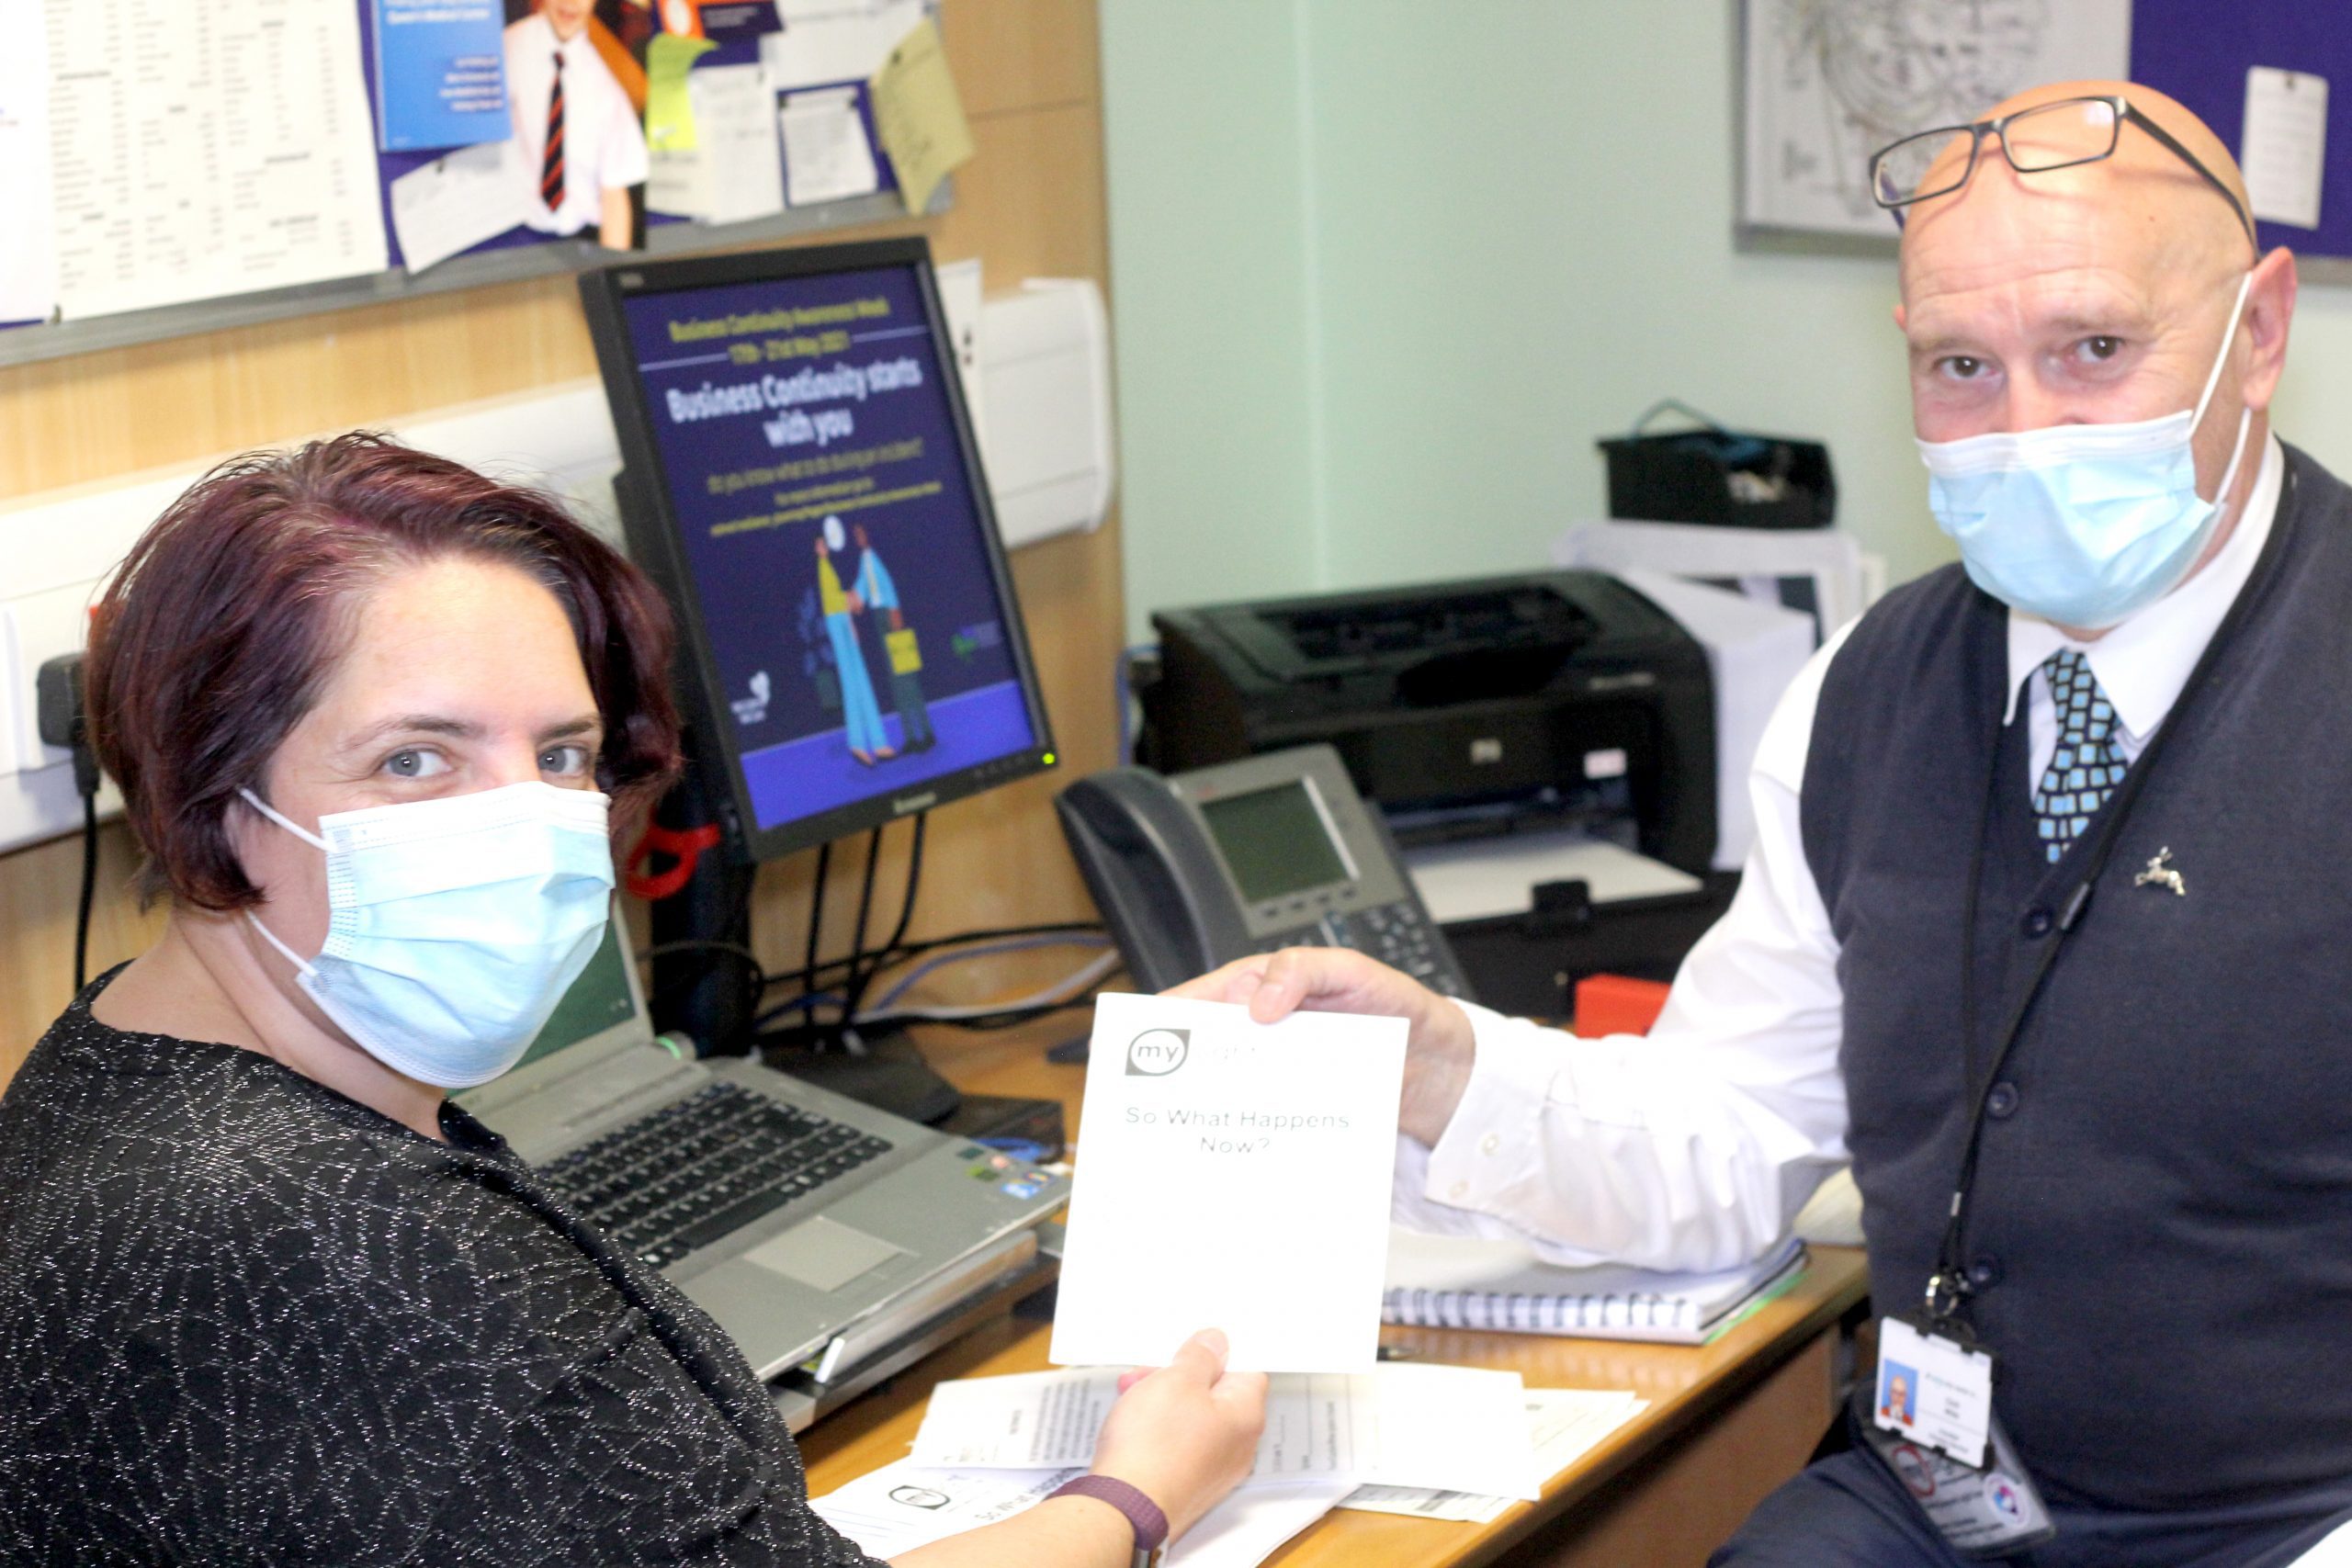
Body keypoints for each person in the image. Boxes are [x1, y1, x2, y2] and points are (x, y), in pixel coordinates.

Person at [1178, 81, 2352, 1566]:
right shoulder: (1867, 694)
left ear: (2257, 335)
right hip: (1940, 1496)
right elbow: (1733, 1131)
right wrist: (1446, 1069)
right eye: (1961, 366)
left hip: (2288, 1522)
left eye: (2097, 350)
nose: (2027, 429)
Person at [0, 434, 1264, 1564]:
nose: (528, 819)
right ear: (209, 793)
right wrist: (1139, 1492)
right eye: (414, 758)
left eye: (560, 753)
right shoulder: (322, 1241)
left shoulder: (114, 1059)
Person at [505, 0, 647, 250]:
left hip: (583, 239)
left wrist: (613, 263)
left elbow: (614, 190)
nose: (570, 4)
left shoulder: (608, 76)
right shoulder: (508, 47)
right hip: (513, 236)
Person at [852, 522, 935, 753]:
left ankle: (926, 733)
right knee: (895, 681)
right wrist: (855, 601)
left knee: (907, 677)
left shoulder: (879, 556)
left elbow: (888, 584)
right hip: (879, 618)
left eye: (861, 533)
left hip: (892, 616)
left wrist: (895, 611)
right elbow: (863, 586)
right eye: (855, 535)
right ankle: (910, 737)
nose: (857, 538)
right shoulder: (864, 559)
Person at [817, 515, 895, 764]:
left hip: (843, 621)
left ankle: (879, 743)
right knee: (851, 682)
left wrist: (851, 611)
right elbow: (831, 601)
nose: (823, 546)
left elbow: (841, 599)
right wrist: (850, 601)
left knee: (861, 680)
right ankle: (858, 744)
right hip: (837, 622)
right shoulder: (823, 569)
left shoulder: (832, 567)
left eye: (824, 542)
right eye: (819, 543)